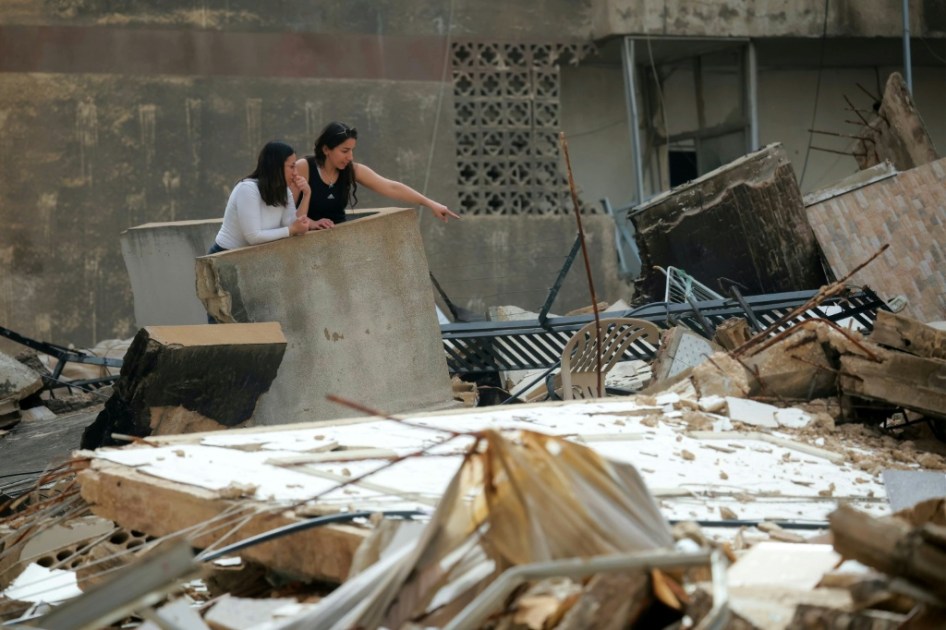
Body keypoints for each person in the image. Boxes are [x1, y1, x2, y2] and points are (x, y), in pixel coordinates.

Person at [293, 121, 460, 230]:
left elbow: (391, 187)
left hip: (339, 240)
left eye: (352, 150)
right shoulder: (304, 167)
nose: (350, 157)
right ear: (326, 149)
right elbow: (285, 214)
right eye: (344, 151)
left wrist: (430, 204)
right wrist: (312, 224)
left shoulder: (351, 170)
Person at [209, 141, 312, 253]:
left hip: (255, 257)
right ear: (275, 167)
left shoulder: (284, 191)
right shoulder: (247, 189)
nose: (296, 173)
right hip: (223, 256)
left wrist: (306, 195)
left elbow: (294, 226)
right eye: (292, 167)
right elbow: (253, 237)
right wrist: (291, 229)